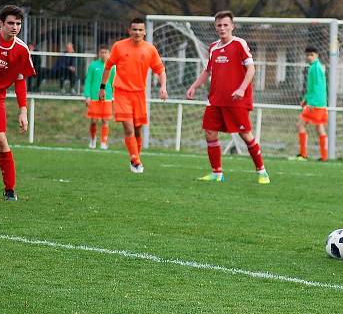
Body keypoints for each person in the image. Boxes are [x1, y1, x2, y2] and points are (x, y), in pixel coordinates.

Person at [186, 10, 269, 184]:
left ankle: (262, 172)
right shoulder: (213, 48)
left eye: (225, 25)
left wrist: (241, 89)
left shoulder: (239, 44)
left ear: (232, 26)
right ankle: (217, 173)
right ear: (215, 27)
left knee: (245, 135)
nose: (222, 28)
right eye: (219, 25)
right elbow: (207, 71)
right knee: (210, 133)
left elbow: (251, 69)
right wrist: (194, 86)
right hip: (215, 99)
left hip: (236, 100)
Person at [0, 5, 36, 200]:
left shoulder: (21, 49)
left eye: (18, 23)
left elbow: (20, 80)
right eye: (10, 23)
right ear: (1, 23)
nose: (15, 27)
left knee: (1, 140)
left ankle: (9, 190)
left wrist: (23, 111)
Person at [100, 17, 167, 173]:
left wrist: (163, 87)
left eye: (140, 30)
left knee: (138, 130)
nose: (137, 32)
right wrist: (102, 88)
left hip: (139, 94)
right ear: (129, 31)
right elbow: (108, 67)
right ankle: (135, 161)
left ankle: (136, 157)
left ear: (144, 31)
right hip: (122, 93)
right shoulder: (119, 47)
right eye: (134, 29)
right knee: (129, 128)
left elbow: (160, 70)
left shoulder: (150, 49)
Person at [296, 46, 328, 161]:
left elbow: (318, 87)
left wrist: (311, 103)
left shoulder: (316, 68)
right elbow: (312, 87)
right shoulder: (315, 67)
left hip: (315, 104)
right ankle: (324, 156)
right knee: (319, 128)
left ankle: (303, 154)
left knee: (300, 125)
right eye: (308, 55)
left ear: (317, 55)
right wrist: (305, 99)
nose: (309, 57)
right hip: (320, 103)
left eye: (312, 55)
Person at [83, 45, 115, 149]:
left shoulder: (112, 67)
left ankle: (103, 142)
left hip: (107, 98)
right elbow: (88, 81)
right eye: (102, 52)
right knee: (93, 121)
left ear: (109, 53)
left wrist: (114, 96)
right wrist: (87, 96)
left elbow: (114, 83)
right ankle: (93, 140)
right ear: (99, 53)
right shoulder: (93, 65)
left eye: (105, 52)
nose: (103, 54)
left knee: (105, 120)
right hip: (94, 97)